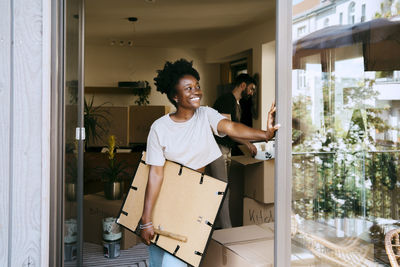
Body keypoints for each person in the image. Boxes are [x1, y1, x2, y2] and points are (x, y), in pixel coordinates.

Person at [140, 59, 279, 267]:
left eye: (197, 86)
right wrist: (146, 219)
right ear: (175, 96)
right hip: (166, 200)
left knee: (176, 259)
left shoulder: (206, 115)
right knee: (156, 256)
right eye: (188, 88)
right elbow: (155, 174)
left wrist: (264, 134)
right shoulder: (159, 128)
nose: (196, 91)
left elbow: (231, 127)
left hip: (194, 200)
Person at [213, 74, 258, 173]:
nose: (251, 93)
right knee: (221, 185)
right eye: (251, 89)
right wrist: (248, 144)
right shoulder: (226, 100)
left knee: (225, 184)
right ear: (243, 85)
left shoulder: (237, 104)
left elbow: (236, 130)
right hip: (219, 149)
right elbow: (229, 130)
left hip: (227, 149)